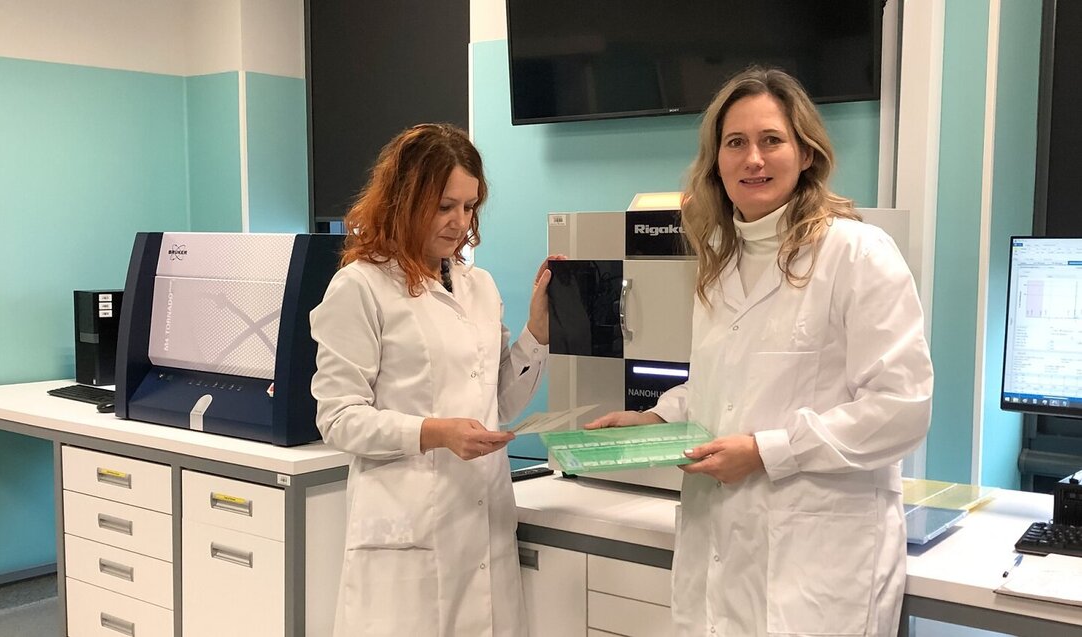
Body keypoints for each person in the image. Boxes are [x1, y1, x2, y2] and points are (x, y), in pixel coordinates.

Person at [586, 67, 934, 636]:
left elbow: (901, 409)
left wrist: (766, 451)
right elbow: (723, 389)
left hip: (816, 568)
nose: (753, 159)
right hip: (722, 553)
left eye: (771, 140)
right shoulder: (720, 261)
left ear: (805, 153)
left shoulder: (857, 252)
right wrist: (655, 420)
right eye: (736, 143)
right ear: (716, 162)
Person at [309, 123, 555, 637]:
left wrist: (537, 332)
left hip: (482, 523)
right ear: (404, 199)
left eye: (468, 207)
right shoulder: (360, 286)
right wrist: (435, 433)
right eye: (444, 206)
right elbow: (338, 418)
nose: (459, 222)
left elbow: (498, 401)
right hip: (407, 529)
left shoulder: (479, 286)